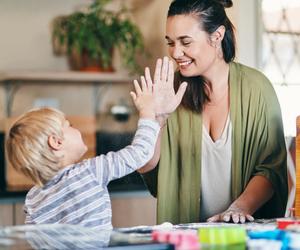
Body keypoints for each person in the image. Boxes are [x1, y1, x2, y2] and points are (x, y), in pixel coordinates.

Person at [139, 0, 288, 224]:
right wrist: (155, 119)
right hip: (187, 236)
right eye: (170, 43)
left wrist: (239, 208)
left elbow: (271, 168)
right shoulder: (170, 93)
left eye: (185, 42)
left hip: (246, 233)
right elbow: (148, 167)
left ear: (217, 36)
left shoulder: (257, 88)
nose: (176, 53)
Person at [5, 66, 187, 229]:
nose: (76, 129)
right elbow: (140, 153)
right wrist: (148, 112)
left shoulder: (33, 200)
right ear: (57, 142)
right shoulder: (90, 171)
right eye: (68, 126)